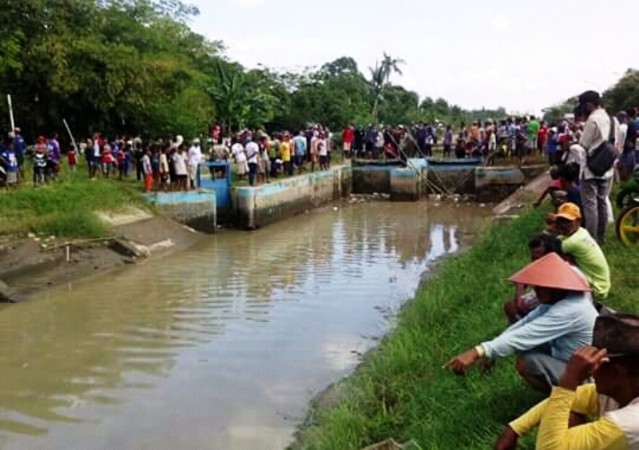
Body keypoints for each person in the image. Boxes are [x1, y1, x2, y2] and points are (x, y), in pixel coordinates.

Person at [446, 253, 597, 393]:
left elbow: (524, 336)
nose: (535, 290)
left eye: (540, 287)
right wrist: (487, 351)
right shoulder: (561, 300)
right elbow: (525, 325)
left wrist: (477, 352)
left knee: (525, 362)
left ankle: (567, 403)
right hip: (568, 357)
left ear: (556, 287)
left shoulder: (570, 310)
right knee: (522, 346)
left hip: (586, 377)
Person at [495, 313, 639, 450]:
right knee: (565, 413)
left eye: (596, 363)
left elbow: (549, 448)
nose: (592, 370)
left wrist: (569, 380)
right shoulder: (624, 387)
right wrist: (515, 428)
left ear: (617, 371)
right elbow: (576, 398)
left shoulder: (629, 424)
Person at [575, 91, 614, 244]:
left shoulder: (593, 119)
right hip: (606, 166)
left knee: (590, 205)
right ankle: (602, 237)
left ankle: (591, 240)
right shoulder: (610, 118)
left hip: (591, 168)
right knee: (602, 202)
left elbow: (583, 144)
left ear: (589, 105)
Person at [552, 202, 611, 299]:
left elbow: (546, 251)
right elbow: (556, 240)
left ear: (578, 221)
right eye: (560, 221)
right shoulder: (581, 232)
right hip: (601, 284)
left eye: (568, 221)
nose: (563, 225)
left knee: (557, 261)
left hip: (597, 289)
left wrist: (548, 230)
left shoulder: (575, 241)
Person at [503, 234, 564, 323]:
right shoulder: (569, 267)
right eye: (532, 258)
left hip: (555, 319)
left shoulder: (550, 280)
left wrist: (520, 285)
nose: (533, 263)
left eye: (537, 259)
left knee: (510, 307)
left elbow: (523, 306)